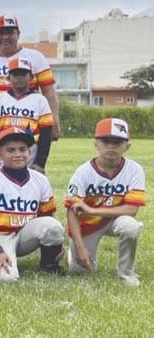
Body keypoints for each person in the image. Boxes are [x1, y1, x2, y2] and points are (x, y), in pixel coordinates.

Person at [0, 127, 65, 281]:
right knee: (4, 279)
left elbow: (47, 215)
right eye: (11, 150)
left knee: (54, 226)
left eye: (22, 149)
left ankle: (49, 264)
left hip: (24, 234)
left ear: (29, 152)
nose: (17, 154)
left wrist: (57, 243)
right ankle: (2, 257)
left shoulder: (40, 179)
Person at [65, 118, 145, 286]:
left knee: (131, 226)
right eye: (106, 141)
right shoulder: (83, 172)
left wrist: (93, 210)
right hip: (88, 224)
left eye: (117, 142)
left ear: (127, 146)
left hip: (115, 219)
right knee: (81, 272)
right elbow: (72, 211)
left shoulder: (134, 170)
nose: (111, 147)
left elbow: (131, 209)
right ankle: (72, 253)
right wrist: (80, 247)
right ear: (96, 144)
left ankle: (126, 273)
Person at [0, 14, 60, 139]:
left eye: (10, 32)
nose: (5, 37)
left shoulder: (36, 57)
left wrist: (54, 122)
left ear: (18, 34)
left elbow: (49, 92)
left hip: (30, 129)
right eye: (0, 33)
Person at [0, 57, 54, 173]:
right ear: (8, 77)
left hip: (29, 149)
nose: (19, 77)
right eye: (15, 74)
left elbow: (46, 133)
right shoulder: (0, 99)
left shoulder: (40, 100)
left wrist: (40, 162)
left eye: (23, 74)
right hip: (5, 148)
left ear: (31, 77)